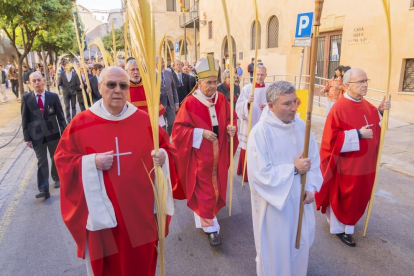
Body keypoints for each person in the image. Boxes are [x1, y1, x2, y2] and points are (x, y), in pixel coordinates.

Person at [55, 66, 178, 276]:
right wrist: (91, 162)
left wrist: (164, 157)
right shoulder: (81, 123)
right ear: (100, 87)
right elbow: (63, 160)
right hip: (104, 220)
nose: (117, 90)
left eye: (123, 85)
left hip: (140, 213)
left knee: (139, 264)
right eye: (111, 85)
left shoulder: (145, 121)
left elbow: (168, 149)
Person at [247, 81, 322, 276]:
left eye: (295, 101)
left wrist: (311, 187)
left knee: (300, 247)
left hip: (300, 202)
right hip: (275, 208)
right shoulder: (260, 133)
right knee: (277, 253)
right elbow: (260, 175)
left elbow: (313, 160)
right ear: (271, 106)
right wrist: (293, 169)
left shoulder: (302, 127)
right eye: (287, 104)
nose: (294, 108)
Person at [315, 68, 391, 247]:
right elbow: (330, 140)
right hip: (346, 166)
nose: (365, 85)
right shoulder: (338, 108)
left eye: (366, 81)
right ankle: (340, 229)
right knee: (344, 196)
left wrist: (380, 112)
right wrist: (357, 134)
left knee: (358, 196)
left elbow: (375, 125)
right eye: (360, 82)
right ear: (347, 85)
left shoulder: (366, 105)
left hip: (364, 165)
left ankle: (348, 225)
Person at [171, 56, 238, 246]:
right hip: (200, 156)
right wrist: (201, 133)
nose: (212, 86)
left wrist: (231, 128)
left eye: (215, 82)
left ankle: (207, 216)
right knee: (205, 191)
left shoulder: (222, 99)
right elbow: (178, 130)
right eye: (208, 83)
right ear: (199, 83)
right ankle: (211, 229)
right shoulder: (191, 103)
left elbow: (229, 119)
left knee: (215, 189)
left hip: (219, 153)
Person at [21, 72, 66, 199]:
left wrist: (64, 132)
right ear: (30, 83)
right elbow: (24, 119)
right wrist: (27, 138)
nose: (37, 83)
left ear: (44, 81)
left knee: (55, 157)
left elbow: (61, 117)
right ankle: (43, 189)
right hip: (36, 136)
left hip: (53, 134)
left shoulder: (53, 96)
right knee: (42, 161)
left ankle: (57, 177)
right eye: (34, 81)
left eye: (38, 80)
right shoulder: (26, 98)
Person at [235, 65, 269, 182]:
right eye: (257, 74)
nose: (259, 77)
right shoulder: (247, 88)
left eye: (262, 74)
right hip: (250, 122)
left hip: (264, 124)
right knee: (249, 146)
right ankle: (247, 173)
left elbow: (275, 104)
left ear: (266, 75)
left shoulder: (269, 89)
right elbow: (238, 106)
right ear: (254, 75)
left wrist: (268, 107)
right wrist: (247, 103)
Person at [125, 58, 166, 126]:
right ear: (126, 71)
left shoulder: (148, 87)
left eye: (138, 69)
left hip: (148, 126)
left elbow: (157, 113)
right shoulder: (123, 88)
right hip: (129, 126)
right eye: (133, 69)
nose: (136, 72)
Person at [159, 57, 179, 135]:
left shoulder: (169, 72)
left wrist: (176, 102)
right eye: (161, 62)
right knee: (162, 126)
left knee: (172, 123)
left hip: (170, 103)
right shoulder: (152, 75)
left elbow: (173, 88)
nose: (163, 64)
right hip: (160, 104)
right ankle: (164, 141)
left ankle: (169, 138)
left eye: (163, 62)